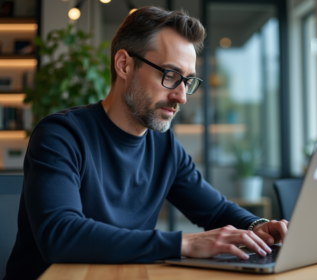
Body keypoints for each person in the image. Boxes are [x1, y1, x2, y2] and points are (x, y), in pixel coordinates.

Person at [4, 6, 288, 280]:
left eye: (187, 81)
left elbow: (215, 210)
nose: (182, 96)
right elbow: (60, 235)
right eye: (170, 76)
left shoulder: (165, 147)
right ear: (124, 64)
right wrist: (183, 244)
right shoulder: (61, 135)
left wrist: (260, 226)